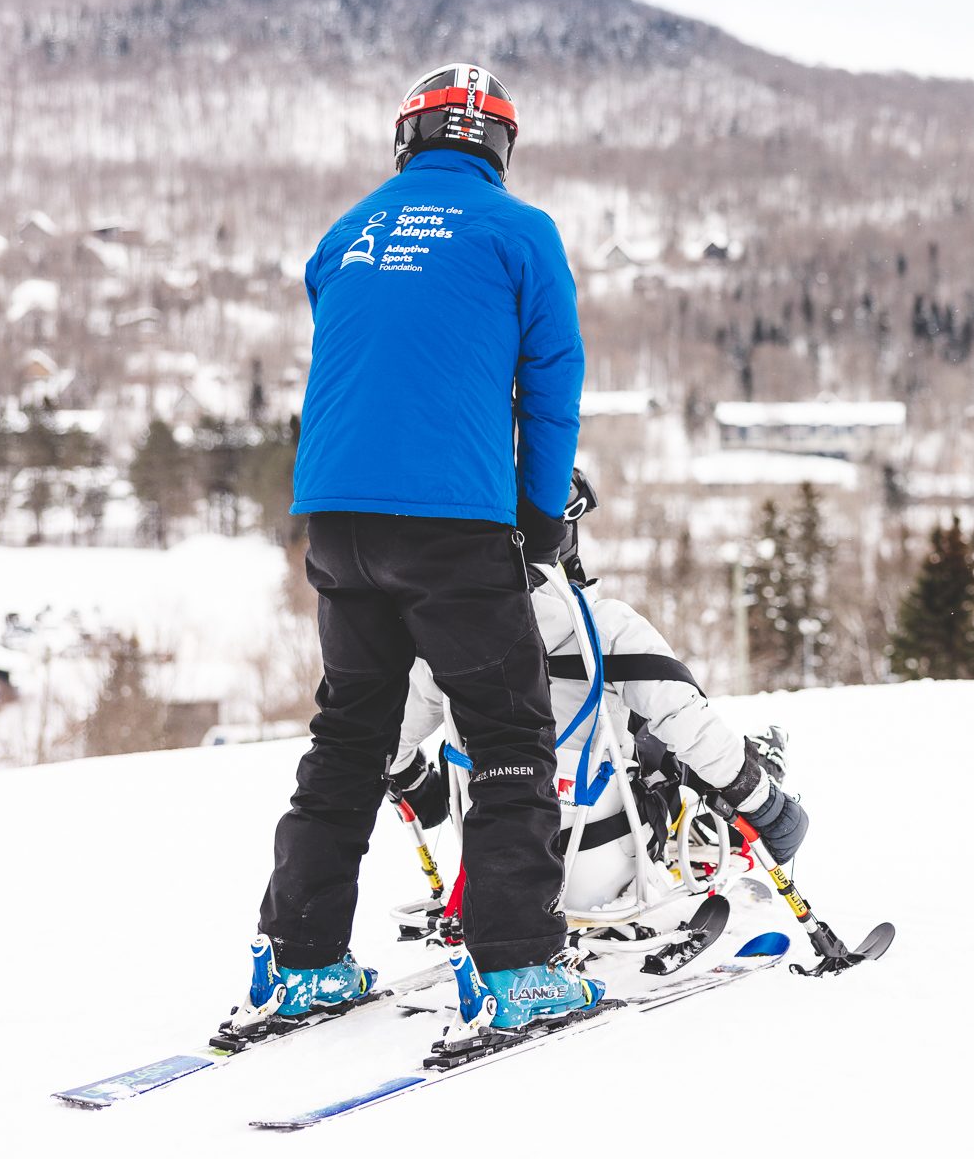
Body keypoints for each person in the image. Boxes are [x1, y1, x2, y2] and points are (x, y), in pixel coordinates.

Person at [244, 62, 595, 1033]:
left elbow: (373, 354)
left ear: (407, 139)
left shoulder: (344, 233)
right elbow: (550, 381)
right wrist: (538, 516)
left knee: (349, 733)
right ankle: (519, 967)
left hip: (338, 519)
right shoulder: (521, 232)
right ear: (498, 149)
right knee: (508, 734)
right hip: (452, 522)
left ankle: (299, 957)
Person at [386, 469, 808, 964]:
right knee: (657, 737)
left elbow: (388, 745)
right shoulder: (608, 628)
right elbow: (690, 722)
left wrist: (421, 788)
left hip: (497, 873)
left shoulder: (441, 641)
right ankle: (730, 807)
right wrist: (772, 812)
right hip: (607, 877)